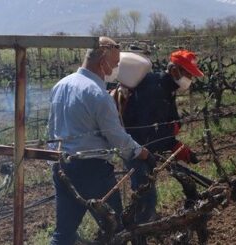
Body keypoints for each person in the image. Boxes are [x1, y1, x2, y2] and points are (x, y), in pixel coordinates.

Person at [47, 36, 154, 245]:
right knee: (116, 230)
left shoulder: (60, 85)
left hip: (62, 168)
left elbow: (51, 129)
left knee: (63, 234)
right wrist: (141, 152)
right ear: (102, 60)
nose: (115, 68)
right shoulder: (97, 94)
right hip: (93, 172)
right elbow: (116, 138)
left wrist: (53, 163)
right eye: (114, 63)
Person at [112, 49, 204, 226]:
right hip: (135, 147)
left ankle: (144, 225)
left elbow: (165, 121)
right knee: (146, 195)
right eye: (189, 74)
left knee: (148, 192)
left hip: (145, 146)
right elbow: (148, 131)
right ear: (175, 70)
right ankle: (139, 231)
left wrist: (173, 130)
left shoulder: (166, 87)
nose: (190, 80)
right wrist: (174, 144)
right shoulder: (155, 89)